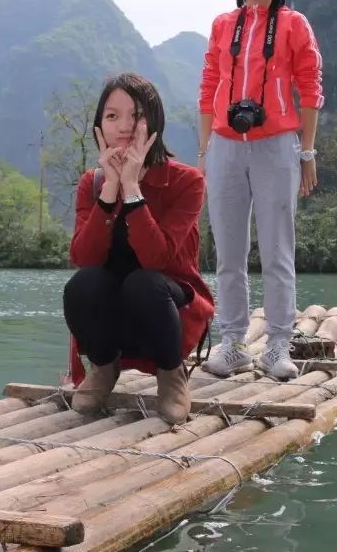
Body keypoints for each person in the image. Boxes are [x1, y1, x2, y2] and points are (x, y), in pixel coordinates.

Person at [197, 0, 324, 381]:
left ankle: (276, 345)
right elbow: (209, 81)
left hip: (277, 144)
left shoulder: (293, 25)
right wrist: (205, 148)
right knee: (228, 251)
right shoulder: (222, 24)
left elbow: (310, 89)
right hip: (226, 145)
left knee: (276, 248)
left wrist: (307, 151)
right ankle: (231, 343)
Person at [63, 72, 213, 425]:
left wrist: (132, 186)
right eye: (112, 116)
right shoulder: (93, 182)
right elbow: (83, 258)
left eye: (136, 115)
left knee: (143, 283)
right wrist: (110, 188)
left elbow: (157, 259)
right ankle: (103, 367)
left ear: (154, 121)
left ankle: (172, 374)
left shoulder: (186, 181)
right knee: (82, 285)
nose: (124, 126)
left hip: (163, 312)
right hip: (116, 318)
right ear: (100, 126)